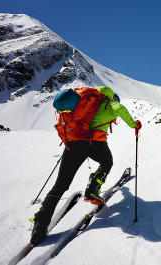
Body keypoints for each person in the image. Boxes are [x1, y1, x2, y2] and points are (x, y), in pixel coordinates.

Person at [30, 86, 142, 246]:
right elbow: (121, 109)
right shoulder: (110, 104)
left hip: (74, 143)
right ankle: (93, 189)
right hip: (95, 144)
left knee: (61, 184)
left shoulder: (85, 99)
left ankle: (40, 223)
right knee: (107, 162)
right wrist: (135, 125)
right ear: (113, 97)